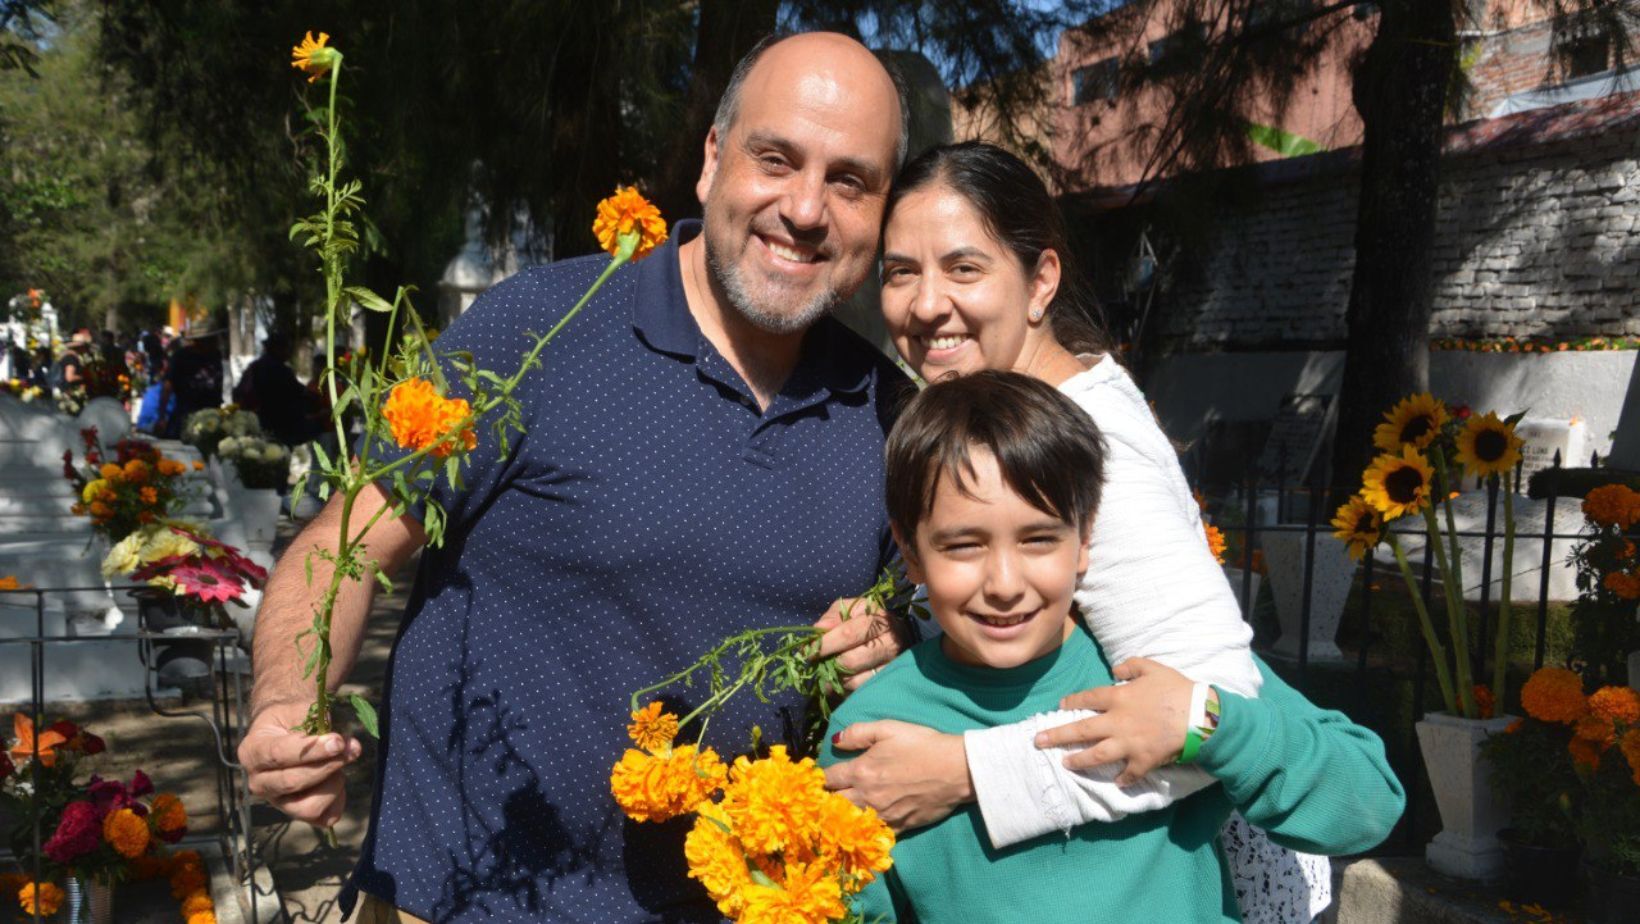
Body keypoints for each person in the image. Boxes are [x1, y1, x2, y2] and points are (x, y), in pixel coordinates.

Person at [237, 32, 913, 923]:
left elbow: (952, 628)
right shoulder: (542, 330)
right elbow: (344, 546)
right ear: (712, 161)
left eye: (849, 181)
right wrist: (290, 703)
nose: (805, 208)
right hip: (461, 904)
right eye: (775, 158)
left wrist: (895, 642)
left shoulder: (893, 417)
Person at [821, 142, 1330, 920]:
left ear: (1041, 281)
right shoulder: (1019, 418)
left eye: (963, 268)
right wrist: (914, 626)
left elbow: (1204, 711)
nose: (925, 305)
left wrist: (965, 770)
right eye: (900, 272)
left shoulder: (1096, 438)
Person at [820, 371, 1403, 922]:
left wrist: (1209, 725)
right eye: (964, 546)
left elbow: (1367, 803)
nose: (1004, 584)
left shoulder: (1163, 662)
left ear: (1085, 539)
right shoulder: (875, 738)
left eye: (1039, 539)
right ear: (911, 550)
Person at [240, 333, 322, 446]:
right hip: (282, 426)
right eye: (287, 348)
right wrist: (315, 397)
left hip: (259, 422)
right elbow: (297, 392)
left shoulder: (255, 367)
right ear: (277, 349)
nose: (289, 352)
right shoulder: (281, 370)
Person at [157, 332, 224, 437]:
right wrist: (161, 416)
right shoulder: (182, 356)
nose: (217, 342)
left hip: (212, 415)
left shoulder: (216, 355)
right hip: (186, 415)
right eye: (213, 339)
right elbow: (167, 387)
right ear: (201, 341)